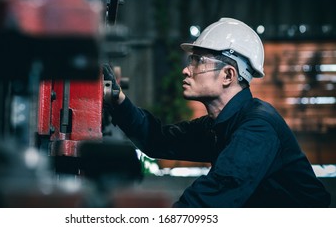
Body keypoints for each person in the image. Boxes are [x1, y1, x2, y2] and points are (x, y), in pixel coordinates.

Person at [102, 17, 331, 207]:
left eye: (198, 61)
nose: (185, 70)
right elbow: (157, 139)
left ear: (228, 75)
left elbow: (211, 199)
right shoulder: (219, 125)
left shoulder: (257, 128)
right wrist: (117, 99)